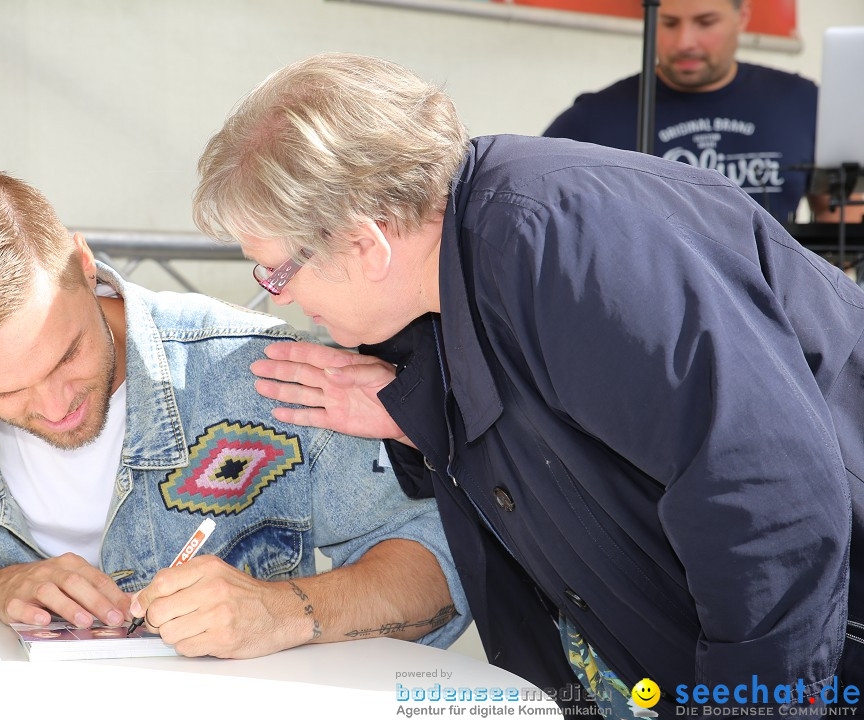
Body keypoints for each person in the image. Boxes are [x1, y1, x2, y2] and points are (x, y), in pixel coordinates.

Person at [192, 52, 862, 714]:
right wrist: (414, 412)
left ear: (366, 243)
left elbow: (767, 501)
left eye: (276, 271)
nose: (276, 297)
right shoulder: (452, 259)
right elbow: (556, 427)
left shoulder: (565, 247)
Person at [0, 170, 470, 661]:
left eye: (66, 355)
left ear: (84, 264)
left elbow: (445, 563)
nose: (56, 406)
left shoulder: (258, 375)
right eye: (4, 394)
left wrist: (284, 612)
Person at [543, 0, 819, 226]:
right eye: (669, 23)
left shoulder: (801, 101)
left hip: (777, 292)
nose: (685, 41)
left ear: (742, 16)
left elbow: (842, 220)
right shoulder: (591, 120)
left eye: (705, 22)